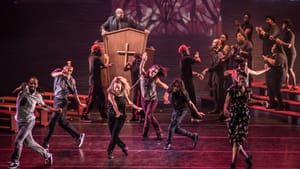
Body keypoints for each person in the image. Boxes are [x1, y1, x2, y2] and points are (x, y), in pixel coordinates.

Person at [8, 77, 62, 169]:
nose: (33, 85)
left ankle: (15, 162)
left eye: (35, 84)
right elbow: (12, 93)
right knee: (29, 143)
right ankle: (47, 155)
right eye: (31, 83)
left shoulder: (37, 95)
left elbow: (44, 106)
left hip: (29, 121)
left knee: (18, 141)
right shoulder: (24, 89)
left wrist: (55, 110)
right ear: (28, 83)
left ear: (37, 85)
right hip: (19, 120)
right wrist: (19, 88)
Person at [43, 61, 87, 150]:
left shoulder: (71, 80)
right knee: (62, 122)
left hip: (62, 102)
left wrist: (79, 103)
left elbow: (75, 93)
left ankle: (45, 143)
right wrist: (61, 73)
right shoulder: (58, 72)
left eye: (71, 71)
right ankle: (78, 136)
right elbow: (52, 74)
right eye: (68, 69)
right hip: (56, 100)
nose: (69, 72)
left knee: (52, 121)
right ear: (64, 68)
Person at [106, 76, 143, 159]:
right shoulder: (110, 93)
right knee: (113, 135)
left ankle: (109, 151)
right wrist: (117, 112)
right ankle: (123, 146)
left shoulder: (124, 93)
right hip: (111, 115)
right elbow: (114, 103)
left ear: (121, 86)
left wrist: (137, 108)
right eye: (115, 87)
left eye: (118, 87)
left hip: (121, 117)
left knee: (114, 134)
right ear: (113, 86)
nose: (117, 89)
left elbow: (129, 102)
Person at [164, 79, 205, 150]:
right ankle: (193, 136)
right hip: (175, 110)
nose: (175, 88)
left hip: (181, 111)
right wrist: (166, 99)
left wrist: (197, 112)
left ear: (180, 88)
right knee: (175, 129)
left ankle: (168, 144)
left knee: (171, 127)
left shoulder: (184, 93)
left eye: (177, 87)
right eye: (174, 86)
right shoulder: (172, 88)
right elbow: (166, 93)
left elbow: (191, 104)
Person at [223, 72, 252, 169]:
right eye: (240, 78)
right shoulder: (232, 89)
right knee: (234, 141)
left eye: (243, 79)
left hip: (243, 116)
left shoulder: (247, 90)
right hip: (233, 116)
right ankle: (247, 158)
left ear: (245, 80)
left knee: (237, 140)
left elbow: (248, 101)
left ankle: (233, 165)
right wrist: (225, 109)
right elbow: (227, 101)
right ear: (237, 79)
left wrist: (261, 102)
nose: (241, 80)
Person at [139, 52, 169, 140]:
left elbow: (164, 85)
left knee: (148, 116)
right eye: (153, 70)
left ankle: (144, 134)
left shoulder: (155, 79)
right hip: (144, 100)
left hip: (153, 100)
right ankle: (159, 131)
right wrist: (143, 60)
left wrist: (172, 89)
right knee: (150, 116)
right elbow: (141, 68)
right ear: (150, 69)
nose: (154, 72)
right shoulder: (143, 75)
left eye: (156, 72)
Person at [81, 42, 112, 121]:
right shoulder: (96, 58)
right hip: (94, 82)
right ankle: (84, 114)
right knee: (91, 99)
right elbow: (104, 65)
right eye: (100, 50)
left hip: (96, 81)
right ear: (97, 51)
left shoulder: (91, 57)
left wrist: (105, 66)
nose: (101, 52)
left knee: (102, 98)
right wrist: (107, 58)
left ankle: (103, 114)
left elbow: (98, 67)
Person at [178, 44, 204, 123]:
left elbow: (188, 71)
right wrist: (197, 56)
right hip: (188, 83)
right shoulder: (187, 58)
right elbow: (198, 61)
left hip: (185, 82)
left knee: (185, 100)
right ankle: (194, 117)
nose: (189, 51)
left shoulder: (183, 59)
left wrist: (197, 74)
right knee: (192, 99)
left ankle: (194, 114)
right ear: (185, 51)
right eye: (187, 49)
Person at [275, 19, 297, 90]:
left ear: (286, 25)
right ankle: (286, 84)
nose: (282, 26)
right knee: (286, 68)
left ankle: (294, 85)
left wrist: (281, 42)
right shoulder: (286, 33)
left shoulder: (291, 34)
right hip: (286, 53)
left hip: (291, 53)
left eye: (283, 24)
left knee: (290, 69)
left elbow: (289, 45)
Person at [262, 43, 286, 110]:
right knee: (270, 90)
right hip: (270, 75)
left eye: (273, 46)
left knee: (276, 90)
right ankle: (272, 104)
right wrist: (266, 64)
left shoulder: (280, 55)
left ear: (277, 48)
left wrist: (267, 59)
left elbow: (276, 63)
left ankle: (281, 105)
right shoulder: (272, 55)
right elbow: (269, 63)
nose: (272, 47)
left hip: (277, 76)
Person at [124, 53, 145, 122]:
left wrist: (132, 86)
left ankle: (136, 117)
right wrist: (127, 65)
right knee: (138, 101)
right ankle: (142, 115)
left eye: (134, 57)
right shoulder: (132, 66)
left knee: (136, 101)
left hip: (138, 87)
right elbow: (124, 69)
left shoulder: (139, 67)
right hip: (135, 87)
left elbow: (140, 79)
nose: (132, 58)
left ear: (136, 58)